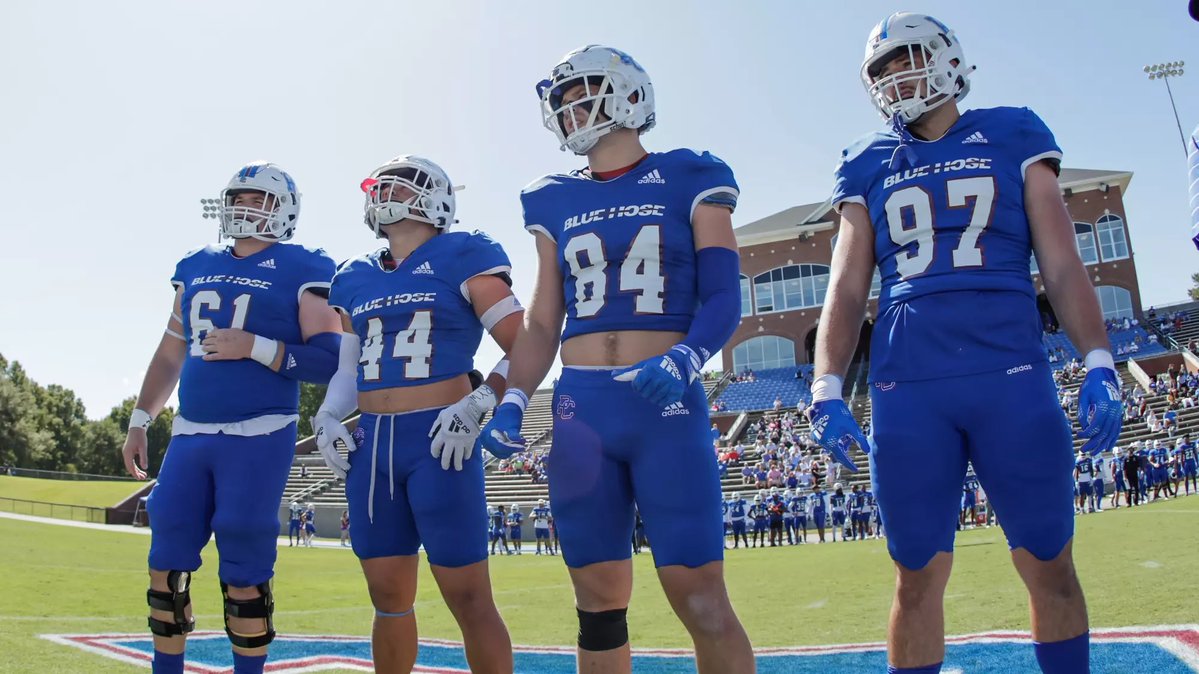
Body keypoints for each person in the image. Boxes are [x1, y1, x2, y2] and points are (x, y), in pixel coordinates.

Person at [808, 14, 1122, 673]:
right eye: (882, 70)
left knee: (1049, 561)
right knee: (915, 575)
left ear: (947, 58)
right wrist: (825, 384)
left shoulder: (1013, 132)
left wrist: (1098, 359)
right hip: (909, 387)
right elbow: (846, 283)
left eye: (906, 59)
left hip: (1010, 373)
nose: (896, 78)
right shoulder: (865, 159)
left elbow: (1061, 262)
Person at [478, 45, 753, 672]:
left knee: (701, 599)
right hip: (582, 408)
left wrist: (687, 358)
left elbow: (722, 295)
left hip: (664, 401)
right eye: (564, 101)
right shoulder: (551, 198)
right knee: (597, 606)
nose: (572, 109)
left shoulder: (689, 174)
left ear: (631, 93)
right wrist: (515, 396)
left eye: (584, 93)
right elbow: (543, 320)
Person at [122, 162, 342, 674]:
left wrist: (256, 347)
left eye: (258, 199)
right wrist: (140, 418)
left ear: (284, 209)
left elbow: (329, 359)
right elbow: (170, 353)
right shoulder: (196, 264)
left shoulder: (303, 266)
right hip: (191, 431)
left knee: (244, 564)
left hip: (260, 430)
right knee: (165, 564)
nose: (245, 208)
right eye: (238, 199)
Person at [312, 155, 520, 673]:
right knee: (387, 596)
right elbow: (348, 368)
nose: (387, 193)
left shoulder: (465, 253)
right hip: (372, 446)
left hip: (439, 439)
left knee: (468, 597)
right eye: (381, 186)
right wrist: (328, 415)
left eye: (401, 185)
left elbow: (527, 343)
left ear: (438, 198)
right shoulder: (353, 276)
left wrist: (482, 400)